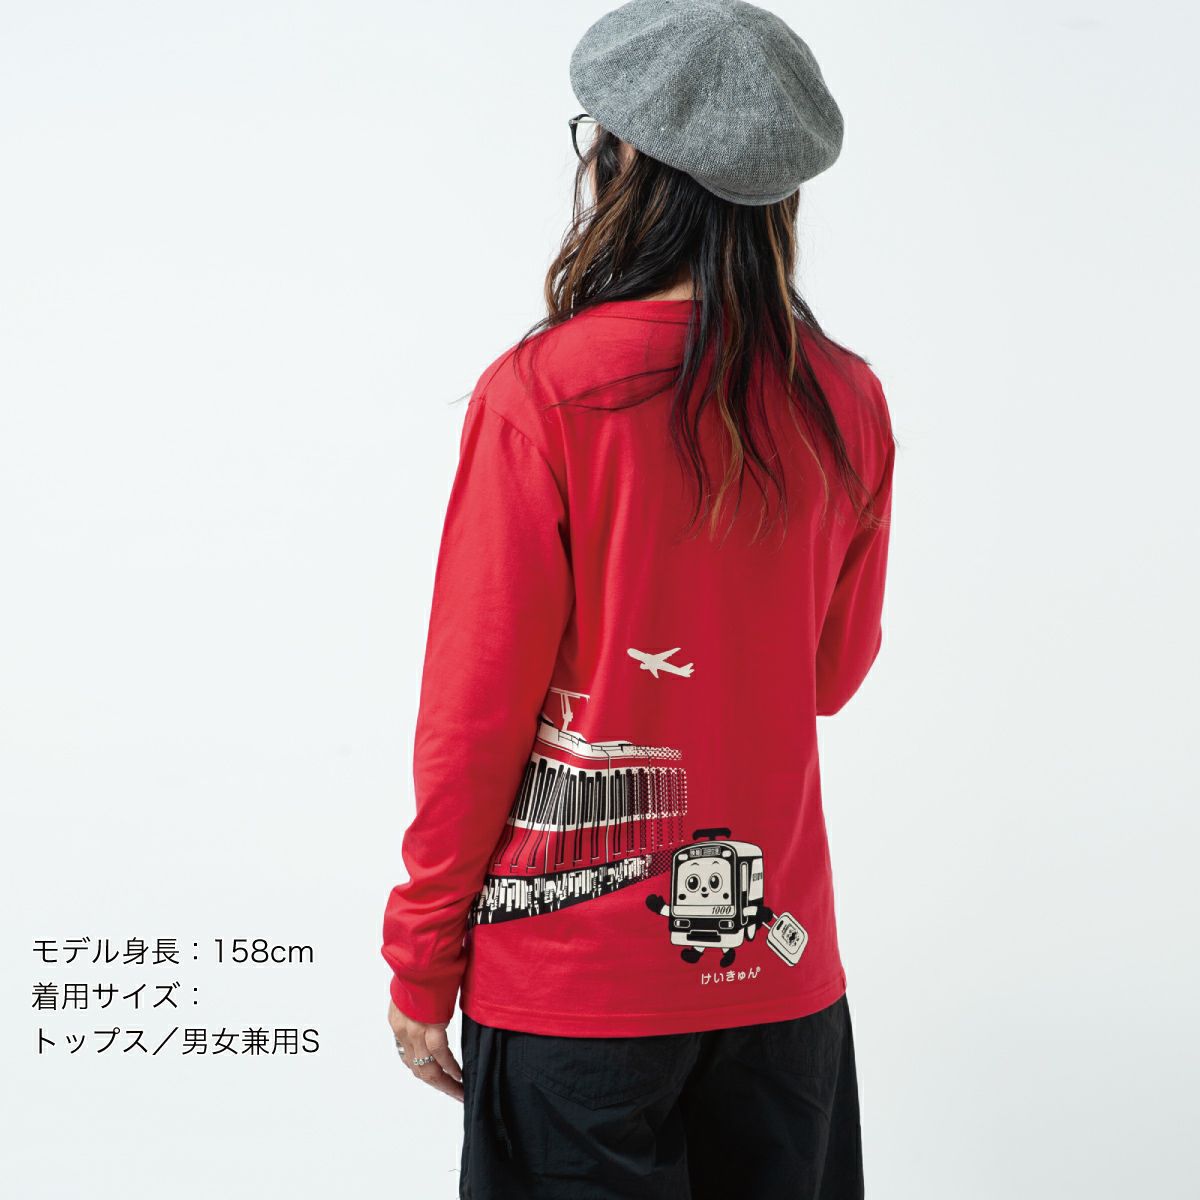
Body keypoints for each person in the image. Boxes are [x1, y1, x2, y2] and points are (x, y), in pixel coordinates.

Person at [381, 1, 895, 1196]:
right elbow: (830, 675)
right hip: (782, 989)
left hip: (577, 995)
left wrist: (421, 957)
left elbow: (474, 714)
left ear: (621, 160)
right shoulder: (846, 399)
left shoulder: (545, 393)